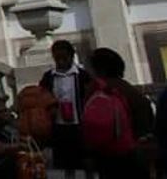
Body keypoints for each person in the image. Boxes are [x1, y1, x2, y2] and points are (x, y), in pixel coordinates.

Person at [84, 47, 152, 179]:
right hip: (133, 155)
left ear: (98, 69)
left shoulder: (96, 90)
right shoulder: (132, 91)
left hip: (105, 157)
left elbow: (89, 125)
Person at [38, 40, 93, 178]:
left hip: (79, 125)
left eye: (64, 58)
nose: (61, 62)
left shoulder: (82, 76)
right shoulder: (49, 77)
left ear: (72, 56)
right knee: (62, 165)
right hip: (58, 126)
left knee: (82, 162)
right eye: (57, 59)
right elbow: (41, 97)